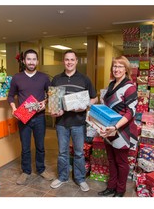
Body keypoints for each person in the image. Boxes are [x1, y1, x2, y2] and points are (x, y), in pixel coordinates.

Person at [49, 50, 98, 192]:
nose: (69, 62)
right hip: (61, 123)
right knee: (62, 152)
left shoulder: (84, 79)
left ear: (76, 61)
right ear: (63, 61)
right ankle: (62, 177)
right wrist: (54, 111)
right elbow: (53, 101)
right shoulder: (56, 79)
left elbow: (94, 98)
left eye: (72, 59)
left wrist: (85, 104)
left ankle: (80, 179)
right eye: (66, 59)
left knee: (79, 153)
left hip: (78, 122)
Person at [7, 49, 53, 185]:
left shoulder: (44, 77)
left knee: (40, 146)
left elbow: (51, 94)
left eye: (34, 59)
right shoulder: (17, 78)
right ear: (24, 61)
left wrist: (44, 103)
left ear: (37, 61)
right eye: (29, 59)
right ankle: (26, 171)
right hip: (23, 118)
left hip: (39, 118)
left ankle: (41, 169)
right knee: (25, 147)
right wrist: (14, 108)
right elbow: (10, 95)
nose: (31, 62)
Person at [98, 55, 138, 197]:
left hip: (122, 130)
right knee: (111, 160)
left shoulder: (130, 87)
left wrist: (115, 127)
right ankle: (111, 186)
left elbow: (131, 112)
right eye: (115, 66)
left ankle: (120, 190)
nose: (117, 69)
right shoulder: (111, 84)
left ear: (126, 69)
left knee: (121, 162)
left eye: (120, 66)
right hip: (109, 129)